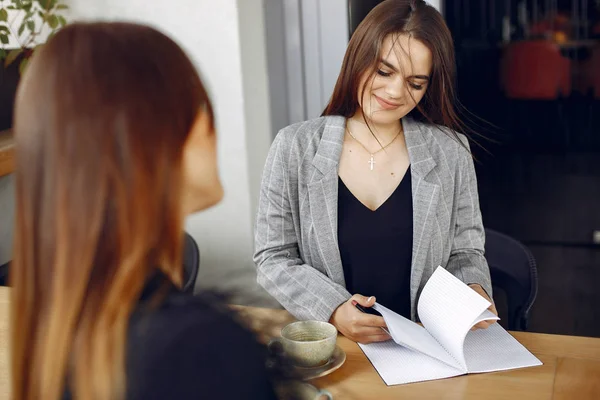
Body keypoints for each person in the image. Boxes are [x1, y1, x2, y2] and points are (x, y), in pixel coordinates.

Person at [10, 22, 279, 400]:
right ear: (152, 140)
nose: (211, 126)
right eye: (199, 106)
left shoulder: (54, 325)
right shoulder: (201, 349)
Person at [254, 0, 497, 345]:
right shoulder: (294, 147)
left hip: (425, 347)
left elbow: (466, 252)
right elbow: (273, 258)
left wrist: (473, 289)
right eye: (384, 72)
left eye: (415, 83)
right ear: (358, 58)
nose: (395, 92)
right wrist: (334, 308)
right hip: (336, 347)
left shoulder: (450, 151)